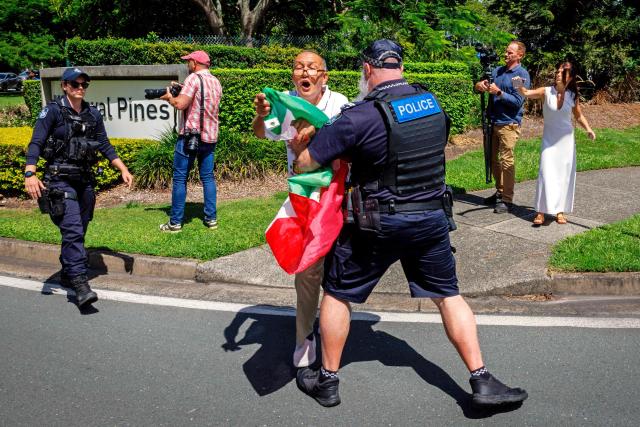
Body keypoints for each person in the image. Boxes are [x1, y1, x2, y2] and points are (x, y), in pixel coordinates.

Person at [289, 39, 528, 409]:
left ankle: (328, 380)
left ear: (367, 70)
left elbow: (307, 163)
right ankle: (482, 380)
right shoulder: (432, 104)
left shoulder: (358, 115)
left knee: (337, 293)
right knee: (448, 296)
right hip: (431, 220)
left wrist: (299, 139)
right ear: (399, 66)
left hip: (376, 223)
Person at [252, 50, 349, 368]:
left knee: (337, 273)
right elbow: (262, 132)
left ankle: (333, 327)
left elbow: (349, 139)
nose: (304, 71)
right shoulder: (284, 102)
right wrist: (260, 113)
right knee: (307, 271)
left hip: (337, 195)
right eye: (298, 67)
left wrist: (315, 135)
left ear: (324, 76)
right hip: (303, 198)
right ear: (294, 76)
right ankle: (304, 338)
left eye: (312, 67)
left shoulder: (339, 102)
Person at [24, 67, 133, 306]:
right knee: (72, 229)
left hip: (84, 180)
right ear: (65, 86)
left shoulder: (92, 114)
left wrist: (122, 168)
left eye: (84, 84)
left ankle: (67, 270)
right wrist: (30, 172)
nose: (80, 88)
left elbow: (104, 144)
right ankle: (80, 284)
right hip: (60, 180)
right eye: (75, 84)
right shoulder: (52, 111)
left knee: (80, 229)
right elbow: (36, 143)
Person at [514, 61, 596, 225]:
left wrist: (588, 129)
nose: (558, 74)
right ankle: (540, 212)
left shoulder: (573, 96)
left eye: (562, 72)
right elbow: (526, 93)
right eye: (557, 71)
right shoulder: (546, 91)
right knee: (545, 173)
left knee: (563, 175)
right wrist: (518, 85)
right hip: (549, 140)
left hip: (566, 140)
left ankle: (559, 211)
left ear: (570, 77)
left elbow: (578, 115)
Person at [159, 50, 222, 232]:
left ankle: (175, 223)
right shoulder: (216, 82)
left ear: (195, 63)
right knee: (208, 177)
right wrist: (181, 87)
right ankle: (211, 219)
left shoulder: (193, 79)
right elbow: (200, 100)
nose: (188, 65)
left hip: (189, 137)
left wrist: (170, 97)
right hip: (209, 137)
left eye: (189, 62)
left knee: (180, 178)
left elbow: (181, 104)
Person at [475, 41, 530, 213]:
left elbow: (517, 101)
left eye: (510, 53)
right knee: (493, 160)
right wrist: (479, 86)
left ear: (520, 55)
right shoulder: (497, 71)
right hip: (492, 122)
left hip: (508, 124)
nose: (506, 55)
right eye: (506, 52)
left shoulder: (519, 75)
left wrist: (498, 92)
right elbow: (481, 86)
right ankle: (499, 191)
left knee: (507, 162)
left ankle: (507, 199)